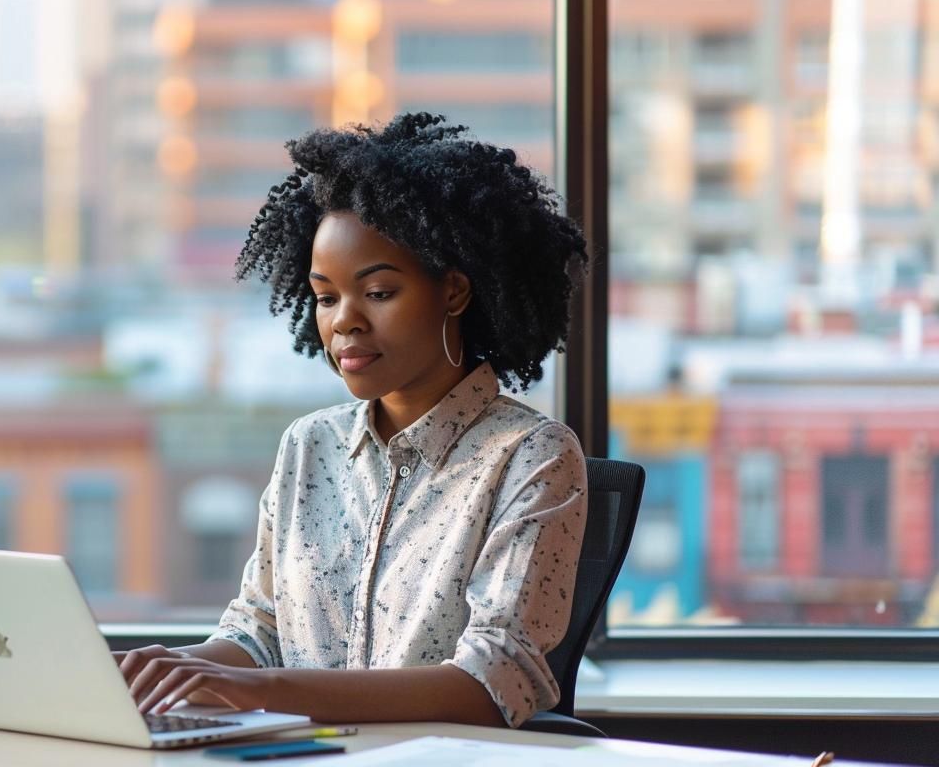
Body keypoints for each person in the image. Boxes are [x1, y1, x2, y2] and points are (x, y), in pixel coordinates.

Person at [116, 112, 590, 728]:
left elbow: (490, 683)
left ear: (454, 292)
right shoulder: (309, 445)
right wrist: (164, 673)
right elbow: (258, 636)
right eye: (325, 296)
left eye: (379, 291)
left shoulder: (533, 454)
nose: (344, 322)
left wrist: (265, 690)